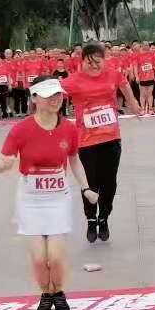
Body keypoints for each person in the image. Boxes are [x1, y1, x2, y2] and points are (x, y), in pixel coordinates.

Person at [0, 76, 93, 310]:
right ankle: (46, 294)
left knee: (55, 257)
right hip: (30, 200)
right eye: (49, 95)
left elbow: (73, 159)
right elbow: (3, 158)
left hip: (58, 198)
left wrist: (85, 187)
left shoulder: (69, 128)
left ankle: (58, 293)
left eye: (58, 95)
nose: (55, 100)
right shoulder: (21, 129)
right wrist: (1, 164)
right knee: (40, 259)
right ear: (34, 98)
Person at [62, 42, 143, 243]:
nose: (95, 66)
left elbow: (124, 84)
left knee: (109, 183)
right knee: (91, 183)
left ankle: (104, 217)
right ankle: (90, 219)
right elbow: (55, 92)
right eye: (90, 63)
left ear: (104, 60)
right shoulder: (74, 80)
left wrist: (133, 103)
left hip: (111, 137)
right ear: (82, 62)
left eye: (98, 62)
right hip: (87, 140)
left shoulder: (112, 73)